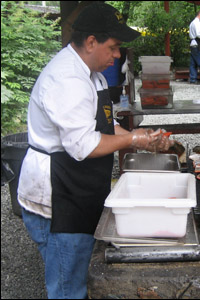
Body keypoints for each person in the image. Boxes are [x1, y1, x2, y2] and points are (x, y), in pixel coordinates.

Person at [17, 3, 174, 299]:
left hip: (77, 192)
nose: (117, 56)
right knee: (68, 288)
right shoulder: (67, 79)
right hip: (58, 200)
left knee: (78, 277)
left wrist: (141, 137)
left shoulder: (93, 76)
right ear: (91, 42)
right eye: (114, 47)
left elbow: (104, 125)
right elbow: (84, 144)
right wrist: (133, 141)